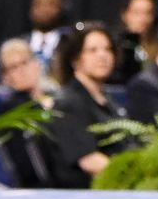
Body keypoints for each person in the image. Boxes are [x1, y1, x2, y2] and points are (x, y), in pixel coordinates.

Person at [47, 22, 124, 189]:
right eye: (93, 50)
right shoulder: (67, 103)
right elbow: (90, 161)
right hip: (90, 195)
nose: (103, 55)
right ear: (75, 60)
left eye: (107, 49)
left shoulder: (108, 100)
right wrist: (134, 176)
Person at [0, 38, 53, 187]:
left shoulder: (58, 98)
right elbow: (26, 166)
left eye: (24, 62)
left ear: (36, 64)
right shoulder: (12, 110)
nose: (21, 70)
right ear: (6, 77)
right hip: (43, 189)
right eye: (13, 67)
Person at [113, 0, 158, 86]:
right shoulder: (115, 46)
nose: (143, 19)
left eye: (148, 13)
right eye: (136, 13)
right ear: (124, 15)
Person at [23, 0, 69, 73]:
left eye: (50, 4)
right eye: (38, 3)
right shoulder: (19, 44)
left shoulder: (70, 42)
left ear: (61, 8)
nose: (44, 9)